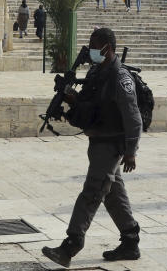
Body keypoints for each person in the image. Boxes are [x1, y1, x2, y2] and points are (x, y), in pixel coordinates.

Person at [41, 28, 142, 267]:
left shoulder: (120, 77)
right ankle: (130, 240)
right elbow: (90, 104)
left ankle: (71, 245)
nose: (91, 50)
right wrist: (69, 97)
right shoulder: (98, 72)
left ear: (108, 47)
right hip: (98, 140)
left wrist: (131, 151)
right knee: (112, 194)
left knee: (93, 192)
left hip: (111, 143)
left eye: (95, 45)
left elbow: (133, 117)